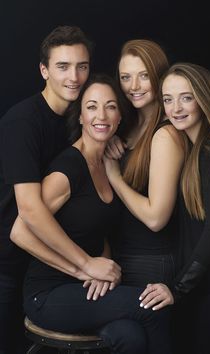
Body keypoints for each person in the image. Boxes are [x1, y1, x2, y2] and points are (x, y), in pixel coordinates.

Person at [11, 73, 172, 354]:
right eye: (92, 106)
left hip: (87, 289)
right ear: (81, 117)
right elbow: (19, 231)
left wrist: (105, 269)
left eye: (110, 106)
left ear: (120, 116)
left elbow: (97, 230)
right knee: (152, 307)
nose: (102, 114)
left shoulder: (108, 163)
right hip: (48, 295)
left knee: (130, 335)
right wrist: (84, 266)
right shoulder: (68, 168)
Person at [0, 25, 120, 354]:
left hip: (44, 266)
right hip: (7, 262)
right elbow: (29, 209)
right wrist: (85, 265)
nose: (74, 77)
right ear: (44, 70)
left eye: (82, 66)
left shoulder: (74, 121)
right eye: (63, 66)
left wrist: (109, 140)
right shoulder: (23, 121)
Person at [139, 62, 210, 354]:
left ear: (204, 99)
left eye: (186, 97)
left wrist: (177, 288)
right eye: (168, 99)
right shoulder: (196, 148)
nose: (176, 108)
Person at [104, 39, 184, 289]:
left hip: (151, 262)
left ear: (159, 77)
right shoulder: (128, 128)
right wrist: (110, 139)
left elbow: (155, 218)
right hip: (122, 256)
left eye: (143, 76)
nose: (134, 86)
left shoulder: (166, 135)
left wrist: (114, 176)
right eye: (126, 77)